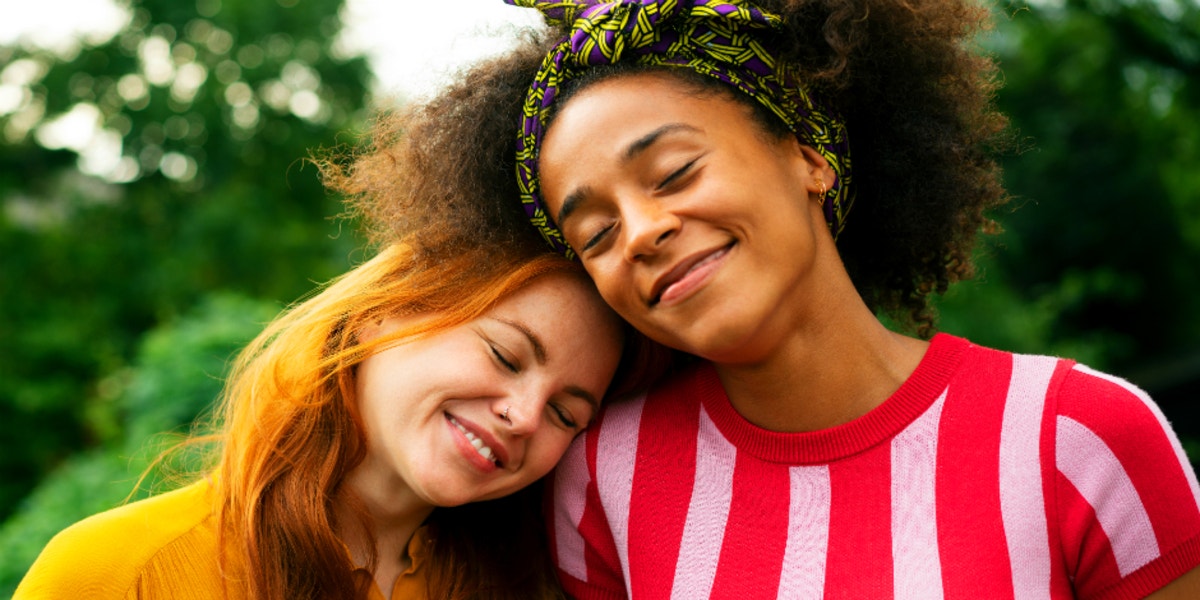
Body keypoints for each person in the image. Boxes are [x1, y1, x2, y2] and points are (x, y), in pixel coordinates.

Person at [353, 0, 1200, 597]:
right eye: (596, 234)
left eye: (674, 173)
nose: (642, 231)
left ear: (808, 156)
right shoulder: (602, 478)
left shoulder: (1080, 437)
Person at [13, 113, 660, 599]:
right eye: (505, 356)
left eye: (565, 415)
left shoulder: (503, 589)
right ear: (389, 309)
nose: (523, 414)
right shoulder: (114, 570)